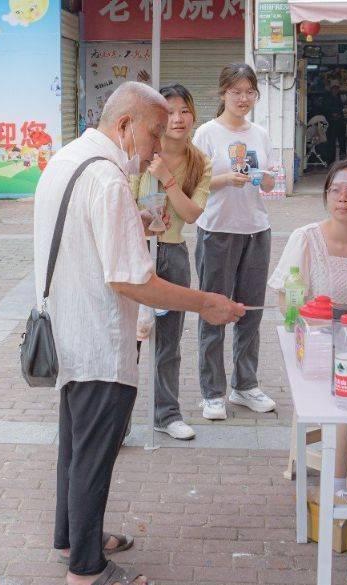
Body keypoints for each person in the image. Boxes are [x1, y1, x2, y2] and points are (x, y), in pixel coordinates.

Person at [34, 81, 244, 585]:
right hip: (100, 338)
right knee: (94, 455)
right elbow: (132, 280)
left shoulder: (68, 159)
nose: (155, 147)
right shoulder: (106, 179)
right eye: (153, 131)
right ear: (126, 125)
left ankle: (71, 537)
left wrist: (138, 220)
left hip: (69, 330)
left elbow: (89, 237)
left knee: (76, 447)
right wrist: (206, 303)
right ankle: (86, 568)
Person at [268, 159, 347, 525]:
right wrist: (314, 321)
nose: (343, 198)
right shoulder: (305, 238)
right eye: (335, 190)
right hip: (316, 343)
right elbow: (284, 300)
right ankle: (341, 495)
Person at [192, 64, 277, 421]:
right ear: (222, 93)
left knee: (250, 313)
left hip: (257, 229)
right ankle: (212, 392)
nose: (243, 99)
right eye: (236, 92)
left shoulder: (260, 133)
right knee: (214, 310)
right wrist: (226, 178)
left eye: (249, 92)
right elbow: (194, 183)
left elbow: (271, 185)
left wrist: (267, 179)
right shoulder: (206, 134)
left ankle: (245, 385)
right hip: (217, 230)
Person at [133, 84, 212, 441]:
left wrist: (167, 179)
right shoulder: (143, 154)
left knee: (169, 342)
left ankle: (167, 414)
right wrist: (146, 217)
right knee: (129, 339)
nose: (177, 119)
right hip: (138, 253)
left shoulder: (199, 162)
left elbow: (192, 213)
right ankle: (116, 419)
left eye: (184, 110)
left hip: (175, 254)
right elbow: (126, 201)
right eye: (170, 111)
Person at [324, 82, 347, 163]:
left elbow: (341, 108)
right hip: (331, 123)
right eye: (334, 88)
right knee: (331, 141)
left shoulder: (339, 97)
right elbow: (325, 109)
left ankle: (342, 157)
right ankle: (331, 159)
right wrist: (332, 114)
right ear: (331, 89)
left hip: (339, 122)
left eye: (337, 88)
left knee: (342, 140)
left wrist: (339, 115)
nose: (335, 90)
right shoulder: (327, 98)